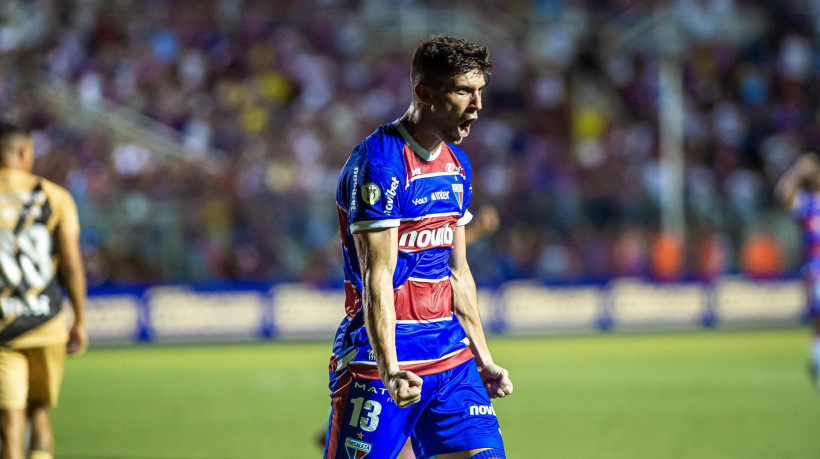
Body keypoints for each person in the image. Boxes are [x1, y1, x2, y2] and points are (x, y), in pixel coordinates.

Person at [324, 35, 512, 459]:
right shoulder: (381, 164)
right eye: (464, 91)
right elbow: (378, 276)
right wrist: (390, 367)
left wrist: (483, 359)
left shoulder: (458, 166)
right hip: (382, 362)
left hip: (448, 354)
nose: (477, 105)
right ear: (424, 93)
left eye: (480, 92)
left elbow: (458, 273)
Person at [0, 122, 88, 459]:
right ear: (23, 152)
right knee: (40, 415)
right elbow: (73, 265)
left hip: (4, 329)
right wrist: (79, 319)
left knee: (9, 427)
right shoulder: (55, 196)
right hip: (47, 325)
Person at [775, 152, 820, 390]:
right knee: (817, 322)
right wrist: (798, 171)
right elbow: (783, 192)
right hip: (816, 270)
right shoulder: (807, 203)